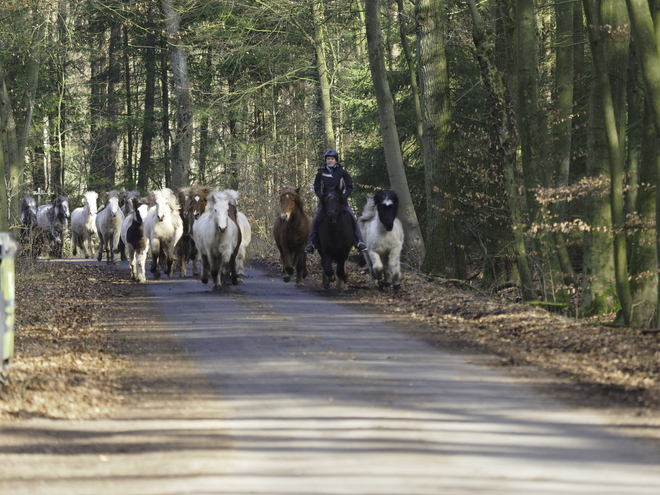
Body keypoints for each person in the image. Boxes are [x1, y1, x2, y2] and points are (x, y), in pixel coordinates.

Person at [305, 149, 368, 254]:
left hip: (340, 201)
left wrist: (343, 196)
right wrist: (322, 197)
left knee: (352, 217)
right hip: (326, 203)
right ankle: (311, 243)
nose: (330, 161)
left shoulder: (342, 172)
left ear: (336, 160)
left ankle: (359, 242)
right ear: (326, 160)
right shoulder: (321, 173)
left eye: (332, 159)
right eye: (328, 159)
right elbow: (316, 187)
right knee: (316, 219)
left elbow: (349, 186)